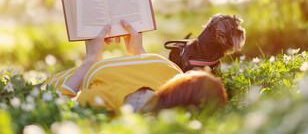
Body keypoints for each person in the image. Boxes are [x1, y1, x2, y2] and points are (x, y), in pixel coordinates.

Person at [42, 20, 227, 114]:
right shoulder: (172, 72)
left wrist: (91, 59)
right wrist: (137, 51)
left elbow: (53, 104)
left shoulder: (106, 98)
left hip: (50, 83)